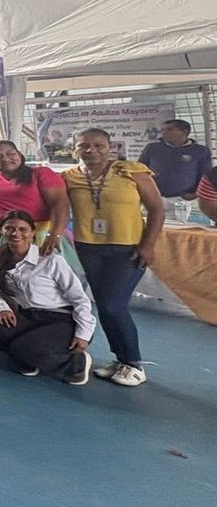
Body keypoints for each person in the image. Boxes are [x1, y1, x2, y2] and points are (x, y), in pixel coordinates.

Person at [65, 128, 164, 388]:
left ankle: (134, 364)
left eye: (98, 145)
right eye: (83, 145)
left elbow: (157, 209)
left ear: (110, 147)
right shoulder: (70, 176)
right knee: (104, 305)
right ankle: (120, 359)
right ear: (75, 149)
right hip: (88, 248)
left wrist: (148, 245)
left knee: (113, 305)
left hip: (127, 249)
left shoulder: (132, 171)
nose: (91, 150)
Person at [0, 211, 94, 384]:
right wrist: (2, 308)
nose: (15, 233)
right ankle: (29, 357)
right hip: (29, 315)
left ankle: (76, 361)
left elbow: (79, 298)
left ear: (32, 233)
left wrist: (83, 333)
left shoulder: (51, 260)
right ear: (2, 231)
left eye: (22, 229)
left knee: (24, 348)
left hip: (62, 318)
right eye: (9, 228)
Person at [0, 139, 69, 251]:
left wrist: (54, 235)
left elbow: (60, 204)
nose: (5, 158)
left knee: (48, 263)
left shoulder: (41, 173)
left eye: (11, 153)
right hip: (8, 239)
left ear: (19, 155)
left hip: (43, 237)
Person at [140, 119, 211, 222]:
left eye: (169, 129)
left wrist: (195, 194)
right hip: (152, 196)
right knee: (149, 226)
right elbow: (140, 170)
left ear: (185, 131)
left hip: (180, 200)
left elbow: (205, 175)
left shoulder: (199, 151)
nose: (164, 133)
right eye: (163, 130)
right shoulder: (152, 148)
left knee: (176, 229)